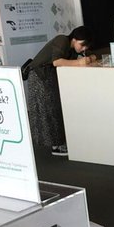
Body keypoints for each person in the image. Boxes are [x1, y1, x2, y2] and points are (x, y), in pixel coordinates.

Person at [26, 26, 96, 156]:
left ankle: (59, 143)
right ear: (74, 39)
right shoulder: (62, 40)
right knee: (49, 110)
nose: (84, 48)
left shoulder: (71, 47)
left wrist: (89, 58)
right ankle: (56, 146)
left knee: (55, 109)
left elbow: (90, 55)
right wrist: (80, 62)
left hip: (48, 77)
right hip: (39, 77)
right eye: (82, 45)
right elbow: (57, 62)